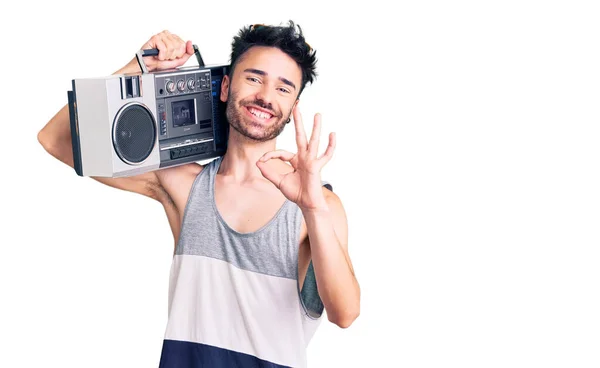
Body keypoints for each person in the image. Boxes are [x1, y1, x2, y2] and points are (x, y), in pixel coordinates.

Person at [38, 20, 360, 368]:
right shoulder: (185, 186)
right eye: (254, 78)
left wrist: (311, 207)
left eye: (284, 88)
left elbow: (345, 314)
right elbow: (57, 140)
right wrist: (139, 67)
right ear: (224, 86)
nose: (266, 96)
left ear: (294, 105)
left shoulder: (319, 205)